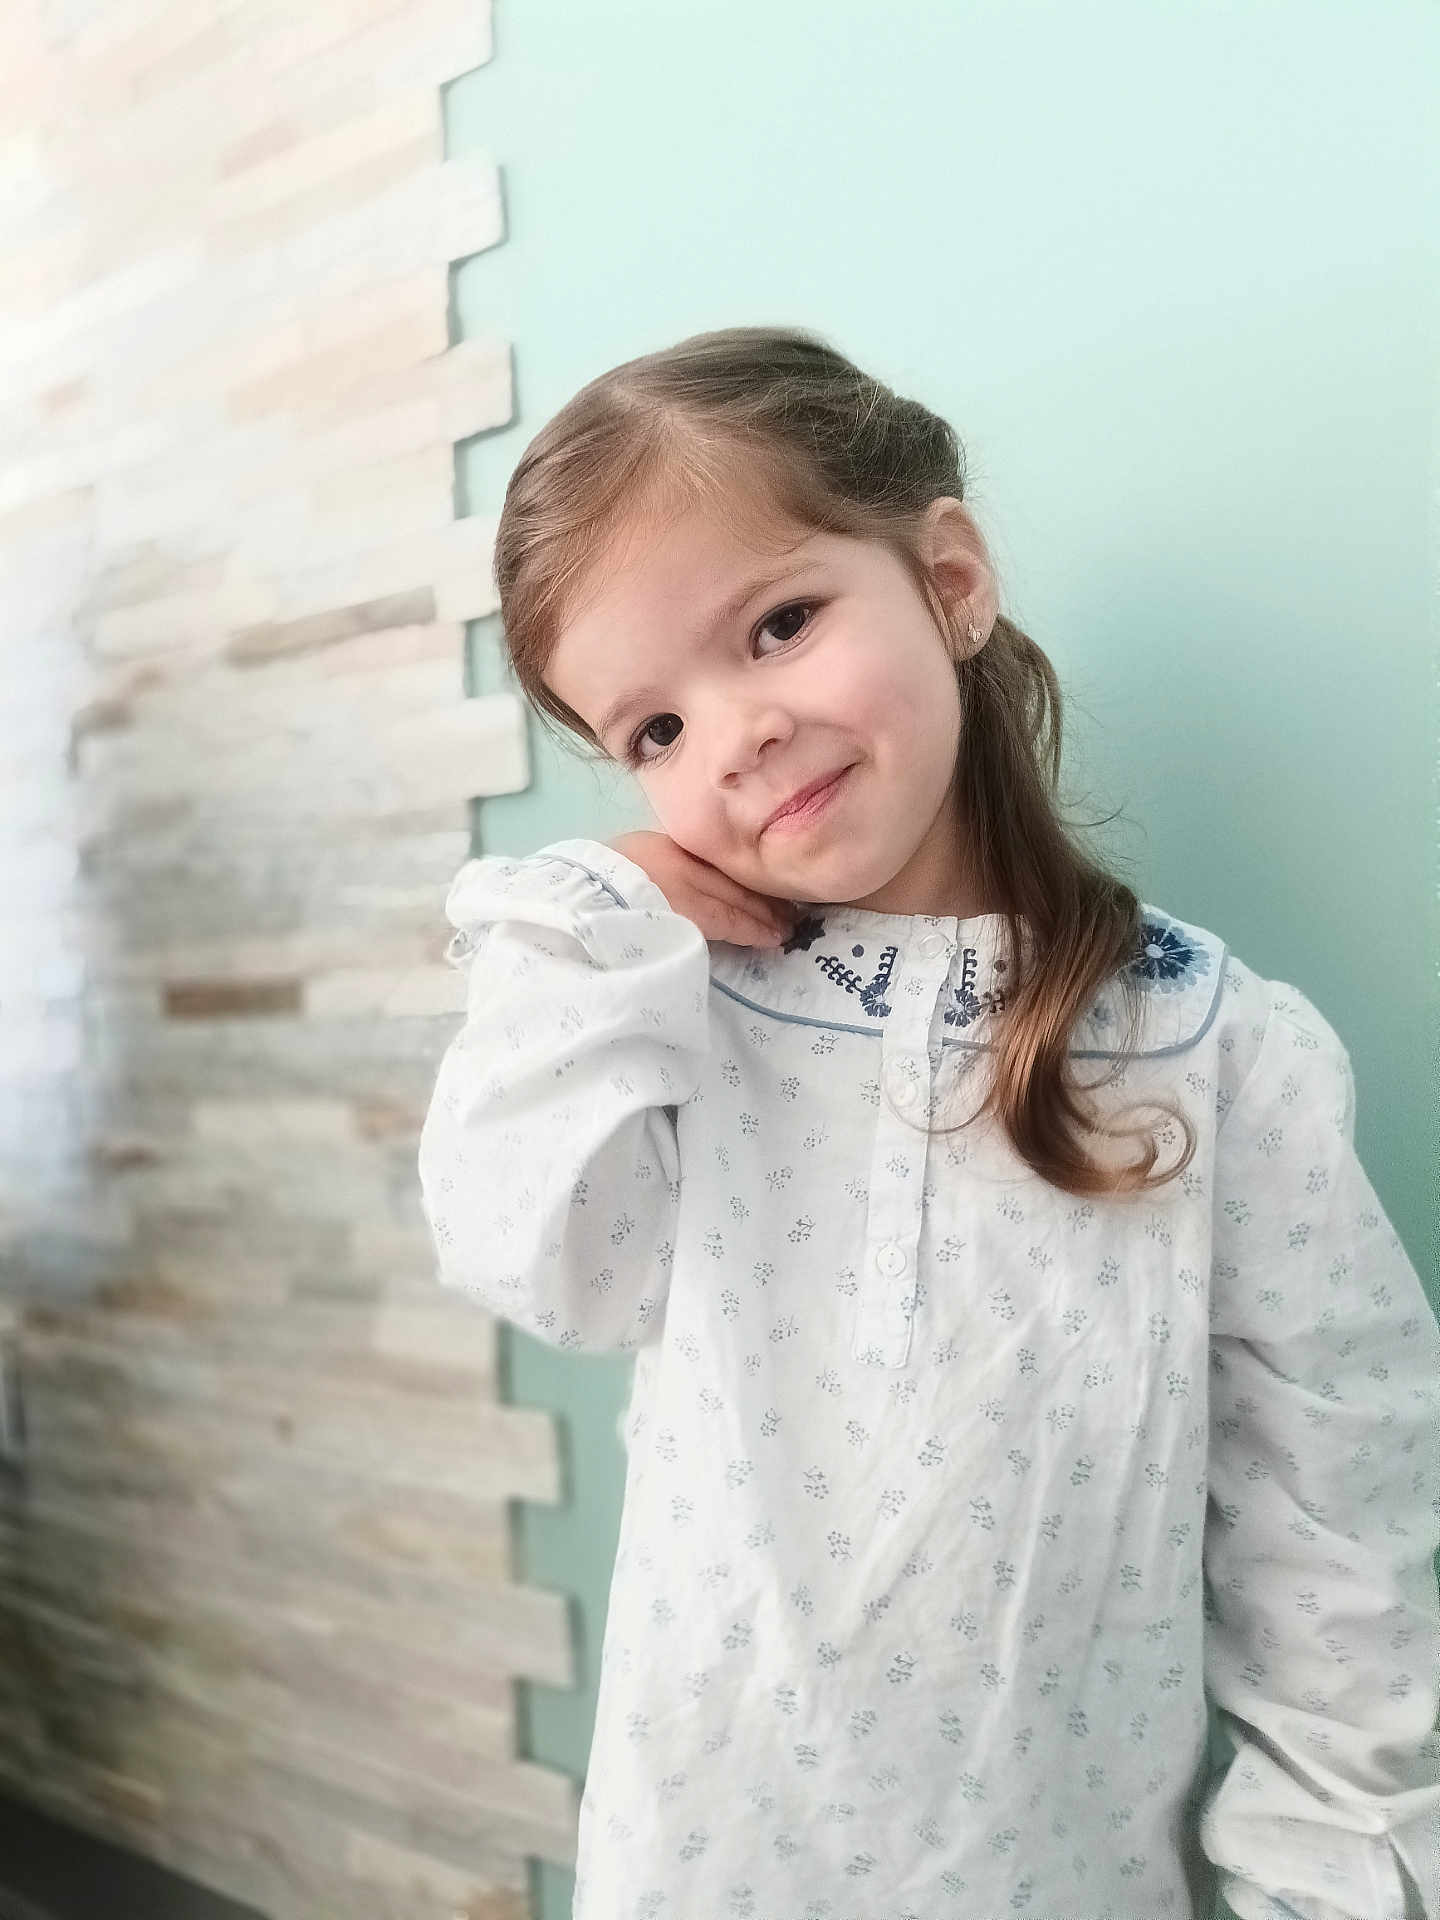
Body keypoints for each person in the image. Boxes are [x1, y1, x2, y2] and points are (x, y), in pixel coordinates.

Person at [416, 326, 1440, 1920]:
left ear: (949, 577)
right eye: (653, 734)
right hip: (703, 1870)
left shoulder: (1223, 1052)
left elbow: (1339, 1553)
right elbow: (539, 1258)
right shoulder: (662, 1023)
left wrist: (1334, 1884)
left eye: (778, 624)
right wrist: (592, 922)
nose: (733, 734)